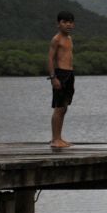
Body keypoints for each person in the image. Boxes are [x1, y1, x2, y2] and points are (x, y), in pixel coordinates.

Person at [46, 10, 75, 148]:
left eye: (70, 22)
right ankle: (54, 139)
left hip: (69, 74)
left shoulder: (69, 38)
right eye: (65, 22)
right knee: (58, 107)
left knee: (64, 107)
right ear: (59, 24)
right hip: (60, 74)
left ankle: (59, 138)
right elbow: (50, 58)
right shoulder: (56, 39)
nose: (68, 24)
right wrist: (53, 77)